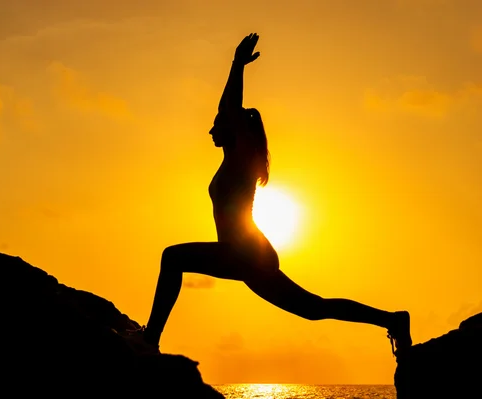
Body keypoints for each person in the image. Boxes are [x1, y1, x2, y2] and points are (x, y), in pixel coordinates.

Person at [127, 33, 411, 357]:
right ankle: (393, 320)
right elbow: (227, 110)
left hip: (245, 252)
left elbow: (229, 107)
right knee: (314, 308)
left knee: (172, 257)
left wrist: (237, 65)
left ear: (232, 128)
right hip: (245, 254)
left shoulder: (242, 158)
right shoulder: (231, 160)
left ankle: (151, 338)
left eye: (215, 124)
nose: (209, 130)